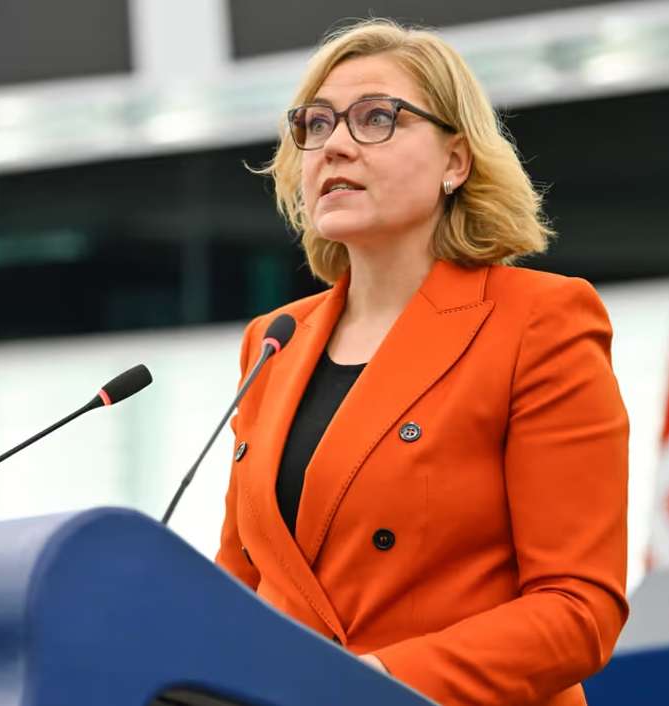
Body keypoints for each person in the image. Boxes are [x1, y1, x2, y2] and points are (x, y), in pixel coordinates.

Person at [215, 18, 628, 706]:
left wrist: (373, 685)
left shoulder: (539, 319)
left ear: (454, 162)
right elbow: (239, 585)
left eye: (376, 117)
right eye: (315, 124)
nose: (334, 144)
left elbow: (578, 610)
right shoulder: (273, 340)